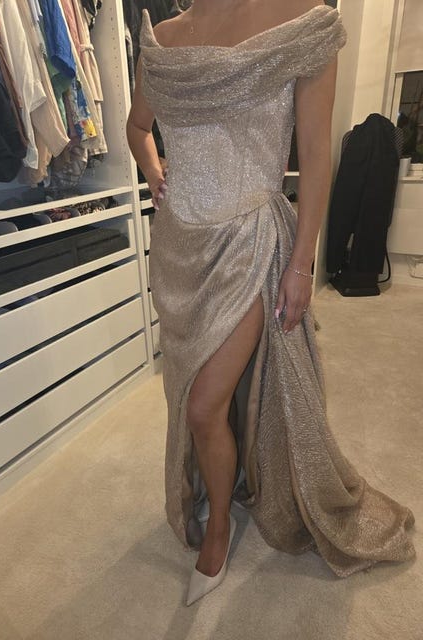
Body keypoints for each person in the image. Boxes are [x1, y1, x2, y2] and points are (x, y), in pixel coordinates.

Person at [126, 0, 416, 606]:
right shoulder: (164, 38)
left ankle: (220, 529)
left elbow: (314, 155)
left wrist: (302, 264)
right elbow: (136, 126)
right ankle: (228, 479)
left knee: (204, 405)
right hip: (178, 251)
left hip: (249, 242)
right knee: (191, 390)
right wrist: (155, 172)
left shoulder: (303, 23)